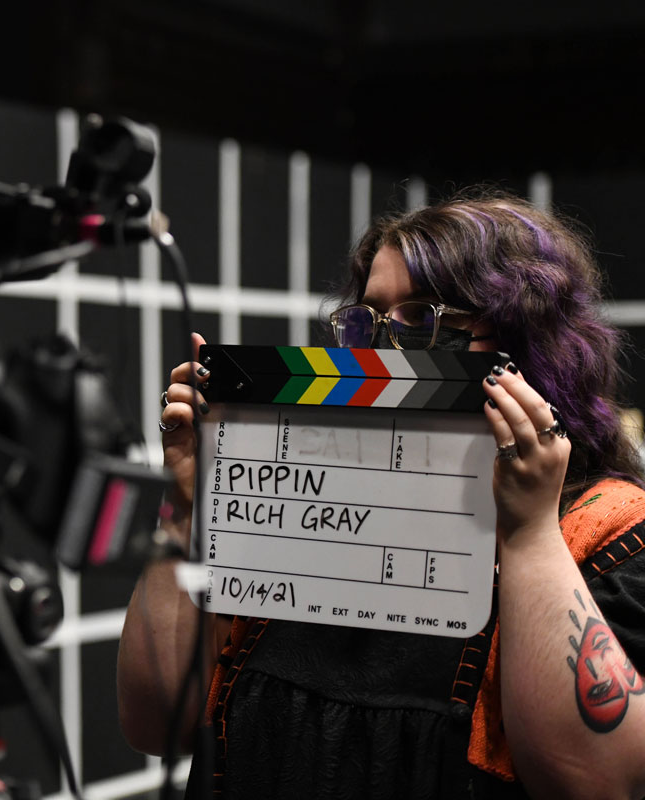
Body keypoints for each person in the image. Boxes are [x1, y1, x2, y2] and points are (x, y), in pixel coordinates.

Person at [117, 188, 645, 798]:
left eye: (423, 319)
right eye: (367, 322)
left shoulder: (612, 532)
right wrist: (187, 508)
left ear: (527, 339)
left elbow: (600, 784)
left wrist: (528, 535)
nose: (382, 352)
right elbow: (156, 722)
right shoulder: (296, 507)